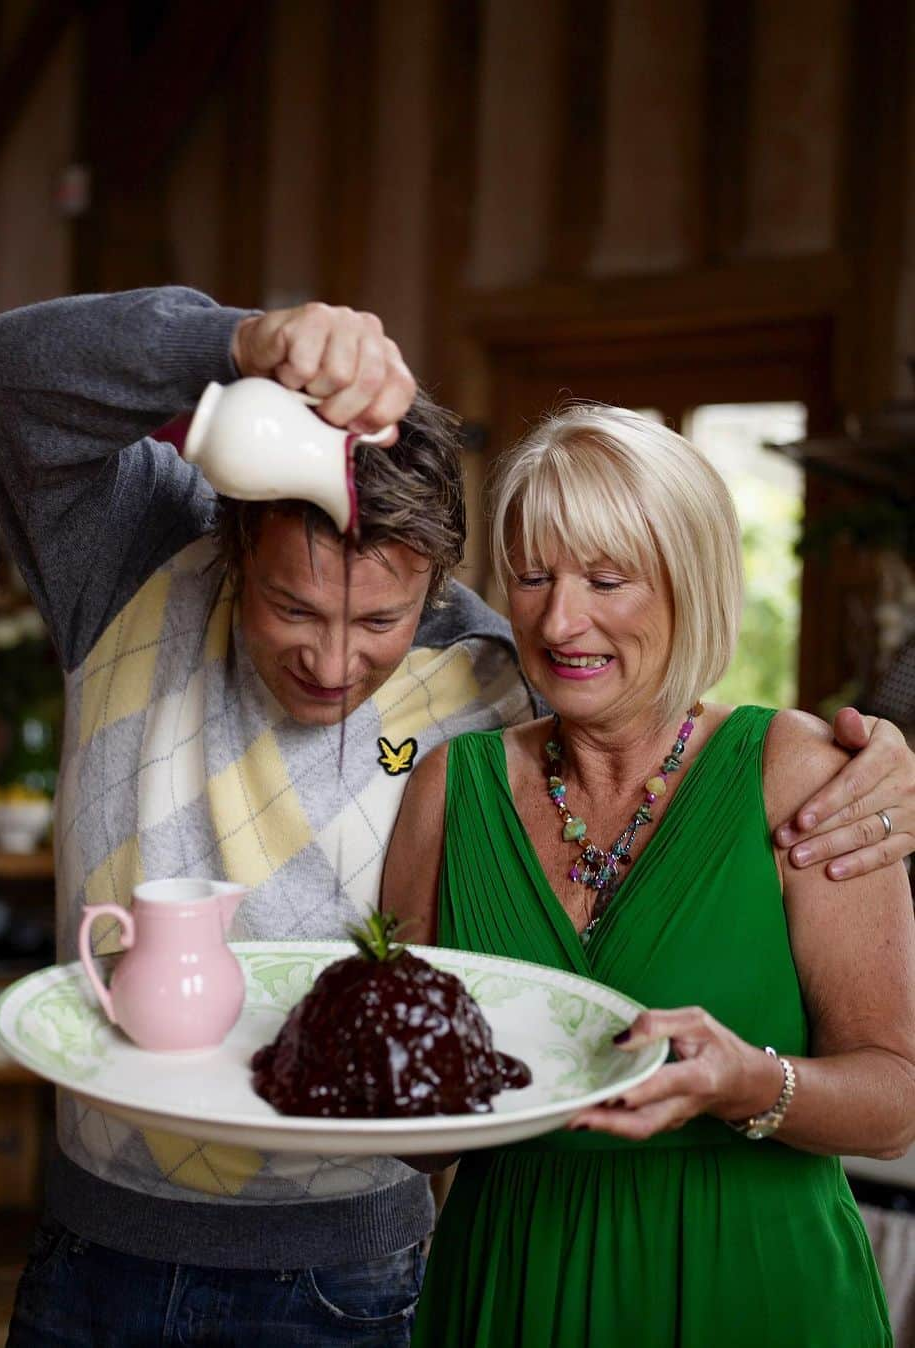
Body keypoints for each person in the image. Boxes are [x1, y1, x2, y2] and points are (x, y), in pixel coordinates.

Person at [0, 290, 914, 1348]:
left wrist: (888, 759)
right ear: (234, 552)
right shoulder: (130, 563)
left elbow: (665, 733)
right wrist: (234, 341)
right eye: (290, 608)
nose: (331, 660)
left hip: (357, 1278)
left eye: (378, 619)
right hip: (98, 1246)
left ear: (438, 589)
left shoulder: (494, 671)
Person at [384, 404, 915, 1348]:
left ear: (690, 582)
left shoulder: (794, 770)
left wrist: (752, 1084)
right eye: (533, 576)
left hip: (753, 1285)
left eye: (608, 578)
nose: (560, 618)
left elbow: (896, 1102)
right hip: (510, 1285)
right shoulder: (447, 789)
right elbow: (416, 1115)